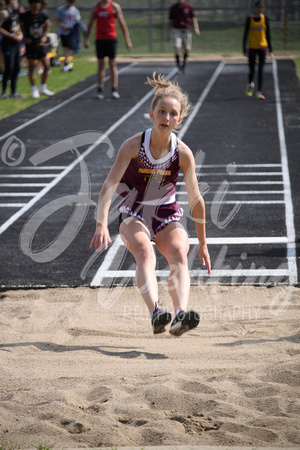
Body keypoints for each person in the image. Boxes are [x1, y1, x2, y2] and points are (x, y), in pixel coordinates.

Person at [90, 73, 211, 336]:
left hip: (166, 214)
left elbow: (196, 199)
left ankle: (180, 315)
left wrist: (202, 243)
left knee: (180, 250)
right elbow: (109, 185)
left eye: (172, 114)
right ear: (151, 114)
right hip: (134, 213)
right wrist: (101, 223)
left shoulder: (183, 154)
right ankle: (156, 312)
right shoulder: (133, 146)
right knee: (144, 250)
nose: (166, 118)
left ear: (179, 119)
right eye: (162, 112)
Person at [84, 0, 132, 100]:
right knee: (100, 64)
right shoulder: (95, 7)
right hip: (100, 39)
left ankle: (114, 89)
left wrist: (128, 40)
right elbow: (91, 24)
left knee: (112, 63)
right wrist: (86, 39)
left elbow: (122, 23)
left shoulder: (114, 7)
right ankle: (100, 89)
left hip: (111, 39)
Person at [20, 0, 54, 99]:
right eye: (34, 3)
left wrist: (45, 35)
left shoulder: (42, 15)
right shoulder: (25, 16)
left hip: (40, 43)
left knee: (47, 66)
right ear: (31, 4)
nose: (36, 6)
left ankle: (43, 87)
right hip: (30, 44)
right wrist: (23, 37)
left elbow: (48, 23)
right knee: (32, 67)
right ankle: (34, 89)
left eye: (37, 3)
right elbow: (17, 24)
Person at [243, 0, 274, 100]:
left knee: (261, 70)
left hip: (262, 47)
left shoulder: (265, 19)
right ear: (255, 8)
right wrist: (244, 49)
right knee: (252, 70)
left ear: (263, 9)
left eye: (261, 8)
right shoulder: (250, 19)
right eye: (258, 7)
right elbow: (245, 35)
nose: (259, 9)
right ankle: (250, 86)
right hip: (252, 47)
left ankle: (259, 91)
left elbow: (268, 35)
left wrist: (271, 50)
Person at [0, 0, 25, 99]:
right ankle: (4, 92)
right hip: (8, 43)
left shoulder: (16, 12)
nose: (16, 4)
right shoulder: (4, 13)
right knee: (9, 67)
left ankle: (13, 91)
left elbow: (17, 26)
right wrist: (10, 35)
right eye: (14, 2)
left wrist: (20, 34)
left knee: (17, 66)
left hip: (16, 43)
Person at [167, 0, 200, 73]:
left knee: (187, 49)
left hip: (186, 30)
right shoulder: (174, 8)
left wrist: (196, 28)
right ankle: (178, 65)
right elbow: (169, 21)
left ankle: (184, 64)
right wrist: (168, 35)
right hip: (177, 30)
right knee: (177, 47)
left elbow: (193, 18)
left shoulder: (188, 7)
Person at [56, 0, 81, 72]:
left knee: (70, 47)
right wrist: (64, 26)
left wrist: (74, 26)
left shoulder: (75, 10)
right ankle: (66, 63)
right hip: (63, 32)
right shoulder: (61, 10)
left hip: (72, 32)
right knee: (65, 47)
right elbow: (57, 21)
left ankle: (67, 62)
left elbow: (77, 20)